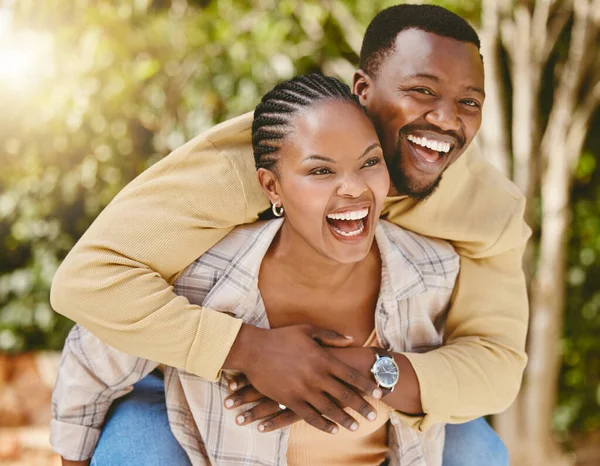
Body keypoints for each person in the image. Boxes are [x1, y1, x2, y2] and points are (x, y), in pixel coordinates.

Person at [50, 4, 528, 466]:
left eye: (469, 101)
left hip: (392, 385)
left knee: (478, 453)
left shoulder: (485, 215)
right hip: (190, 376)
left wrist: (362, 372)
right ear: (363, 89)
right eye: (422, 91)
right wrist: (249, 352)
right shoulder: (244, 167)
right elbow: (88, 282)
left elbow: (498, 362)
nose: (446, 118)